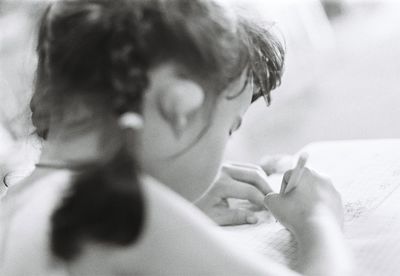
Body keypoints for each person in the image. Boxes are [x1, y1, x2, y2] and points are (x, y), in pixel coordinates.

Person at [0, 0, 351, 275]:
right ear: (178, 107)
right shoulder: (116, 212)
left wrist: (175, 209)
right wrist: (319, 221)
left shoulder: (17, 204)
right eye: (229, 127)